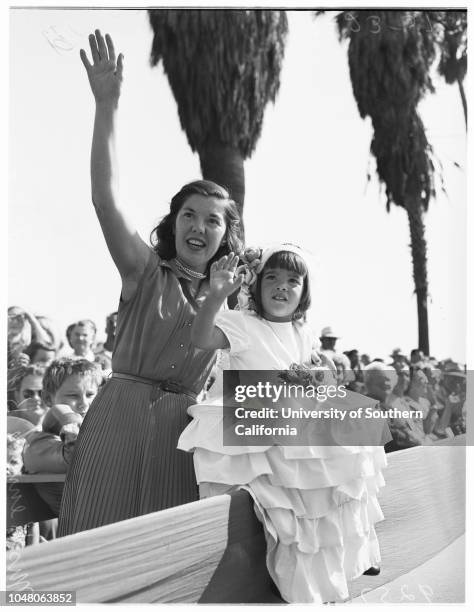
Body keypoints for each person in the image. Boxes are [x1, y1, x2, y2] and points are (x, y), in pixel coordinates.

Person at [58, 30, 243, 536]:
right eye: (188, 215)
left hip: (182, 436)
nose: (197, 227)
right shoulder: (143, 271)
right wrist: (107, 105)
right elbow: (105, 199)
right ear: (173, 222)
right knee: (95, 542)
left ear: (227, 236)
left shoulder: (232, 305)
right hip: (117, 420)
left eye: (212, 220)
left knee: (163, 555)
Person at [178, 246, 386, 603]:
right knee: (283, 493)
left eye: (293, 280)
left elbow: (309, 378)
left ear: (304, 291)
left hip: (290, 417)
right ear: (256, 286)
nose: (281, 287)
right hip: (254, 417)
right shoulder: (242, 323)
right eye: (271, 278)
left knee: (356, 429)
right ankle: (283, 560)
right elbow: (200, 338)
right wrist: (215, 296)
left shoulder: (303, 333)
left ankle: (350, 548)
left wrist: (316, 378)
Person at [23, 359, 103, 516]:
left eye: (90, 394)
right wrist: (68, 417)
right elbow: (81, 458)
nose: (84, 404)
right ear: (47, 399)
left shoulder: (101, 432)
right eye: (73, 395)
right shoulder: (36, 444)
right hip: (79, 527)